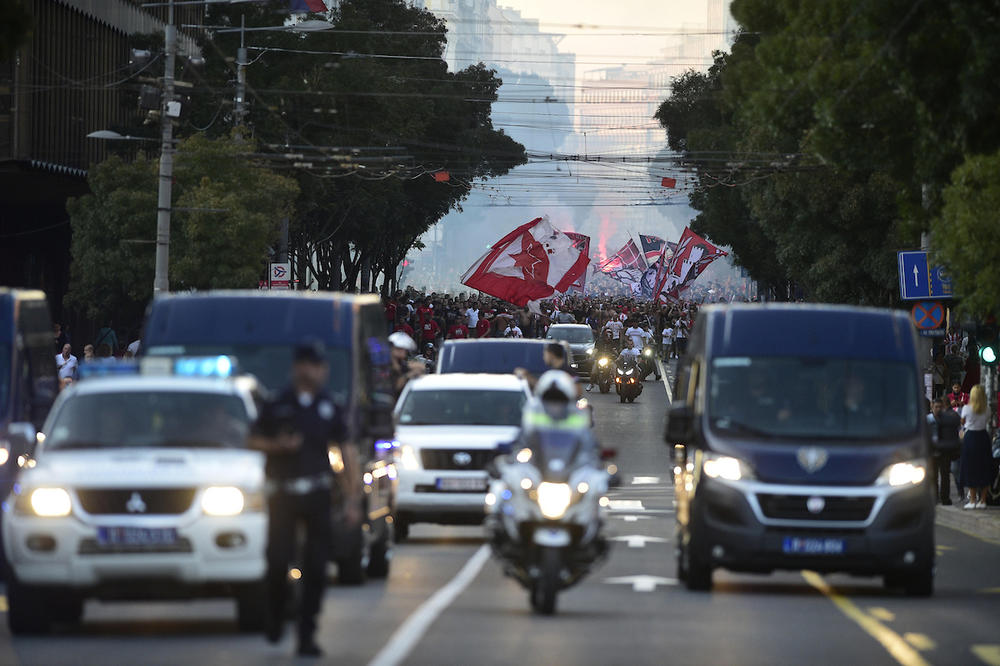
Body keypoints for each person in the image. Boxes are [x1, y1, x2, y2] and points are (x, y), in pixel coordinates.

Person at [249, 340, 353, 657]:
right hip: (283, 494)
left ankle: (306, 635)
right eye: (311, 365)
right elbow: (252, 440)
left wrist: (352, 499)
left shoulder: (328, 405)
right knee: (278, 560)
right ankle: (276, 614)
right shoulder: (277, 403)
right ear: (299, 368)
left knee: (317, 567)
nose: (317, 372)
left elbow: (345, 449)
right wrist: (278, 446)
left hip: (318, 493)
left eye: (321, 366)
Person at [958, 384, 992, 509]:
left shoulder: (967, 408)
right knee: (984, 467)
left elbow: (962, 422)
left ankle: (972, 500)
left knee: (970, 467)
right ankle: (983, 500)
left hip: (970, 438)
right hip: (983, 437)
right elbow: (987, 421)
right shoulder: (987, 409)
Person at [926, 398, 961, 505]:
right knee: (933, 476)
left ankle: (945, 498)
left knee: (945, 475)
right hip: (932, 451)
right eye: (936, 407)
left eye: (940, 407)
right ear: (932, 407)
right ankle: (935, 497)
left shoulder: (947, 419)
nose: (938, 409)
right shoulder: (928, 419)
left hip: (944, 451)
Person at [388, 331, 423, 401]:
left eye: (404, 349)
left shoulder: (403, 364)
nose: (404, 351)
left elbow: (420, 367)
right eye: (400, 349)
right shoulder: (385, 367)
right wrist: (408, 375)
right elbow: (396, 387)